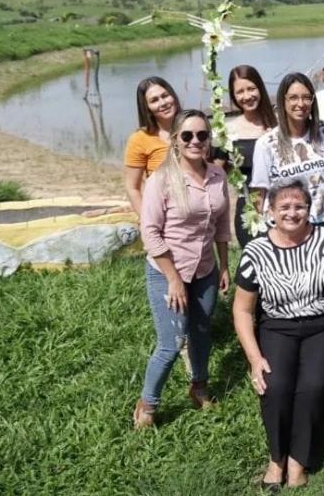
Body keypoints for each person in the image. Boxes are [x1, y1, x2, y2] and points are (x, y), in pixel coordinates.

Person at [232, 180, 324, 489]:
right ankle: (276, 459)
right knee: (275, 385)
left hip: (323, 324)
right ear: (271, 211)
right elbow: (243, 311)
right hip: (277, 326)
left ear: (310, 209)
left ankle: (298, 460)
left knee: (314, 385)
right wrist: (254, 358)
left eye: (299, 206)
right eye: (284, 206)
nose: (292, 213)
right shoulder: (255, 251)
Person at [134, 109, 231, 429]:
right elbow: (150, 232)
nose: (195, 141)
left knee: (201, 335)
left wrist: (224, 266)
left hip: (205, 270)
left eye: (202, 135)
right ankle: (148, 404)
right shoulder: (161, 180)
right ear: (175, 140)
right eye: (187, 136)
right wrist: (173, 279)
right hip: (167, 270)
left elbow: (220, 226)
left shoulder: (218, 176)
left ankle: (199, 387)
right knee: (172, 343)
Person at [250, 72, 324, 228]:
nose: (301, 103)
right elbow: (259, 192)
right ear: (283, 101)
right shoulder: (266, 144)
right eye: (293, 98)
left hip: (323, 222)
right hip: (286, 227)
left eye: (306, 97)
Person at [214, 65, 277, 248]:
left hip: (282, 206)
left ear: (260, 88)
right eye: (240, 92)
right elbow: (216, 173)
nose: (247, 96)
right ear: (233, 96)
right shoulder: (228, 131)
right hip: (249, 209)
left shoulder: (278, 123)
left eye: (251, 88)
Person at [124, 76, 181, 215]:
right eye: (154, 100)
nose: (163, 103)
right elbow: (132, 187)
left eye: (165, 96)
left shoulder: (193, 128)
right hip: (164, 217)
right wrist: (147, 221)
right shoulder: (140, 139)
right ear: (147, 108)